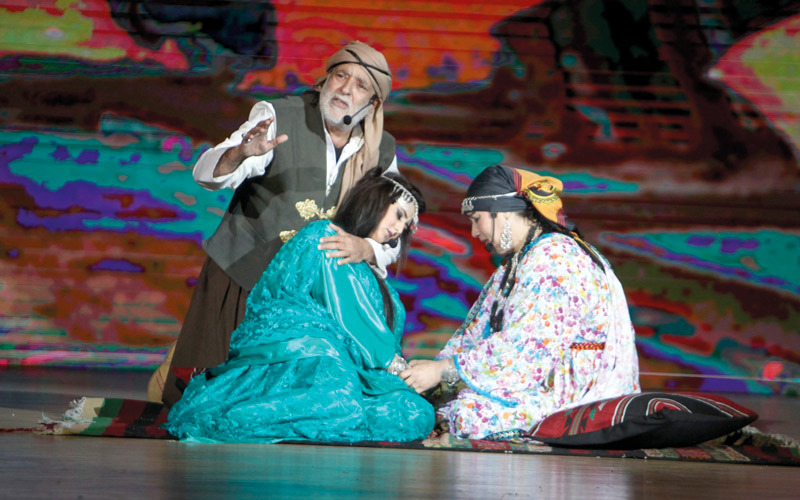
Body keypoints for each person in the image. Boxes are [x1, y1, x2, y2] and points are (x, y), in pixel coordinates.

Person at [149, 41, 400, 406]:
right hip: (246, 275)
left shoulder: (381, 151)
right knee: (212, 396)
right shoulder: (279, 116)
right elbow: (206, 174)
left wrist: (366, 247)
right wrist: (240, 153)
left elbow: (394, 232)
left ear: (373, 103)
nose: (346, 89)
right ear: (325, 79)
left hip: (309, 296)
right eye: (341, 76)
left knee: (280, 402)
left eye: (360, 85)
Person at [163, 169, 434, 443]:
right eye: (399, 214)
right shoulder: (325, 236)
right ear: (375, 200)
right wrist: (395, 367)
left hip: (360, 370)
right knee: (338, 395)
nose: (399, 229)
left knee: (415, 412)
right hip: (309, 355)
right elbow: (342, 313)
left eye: (406, 225)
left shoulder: (372, 271)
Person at [400, 165, 640, 440]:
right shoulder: (520, 260)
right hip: (537, 381)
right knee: (436, 401)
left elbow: (525, 352)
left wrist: (443, 371)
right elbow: (475, 333)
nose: (474, 232)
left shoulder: (555, 258)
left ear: (501, 213)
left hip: (575, 393)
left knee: (470, 413)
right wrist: (433, 374)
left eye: (477, 219)